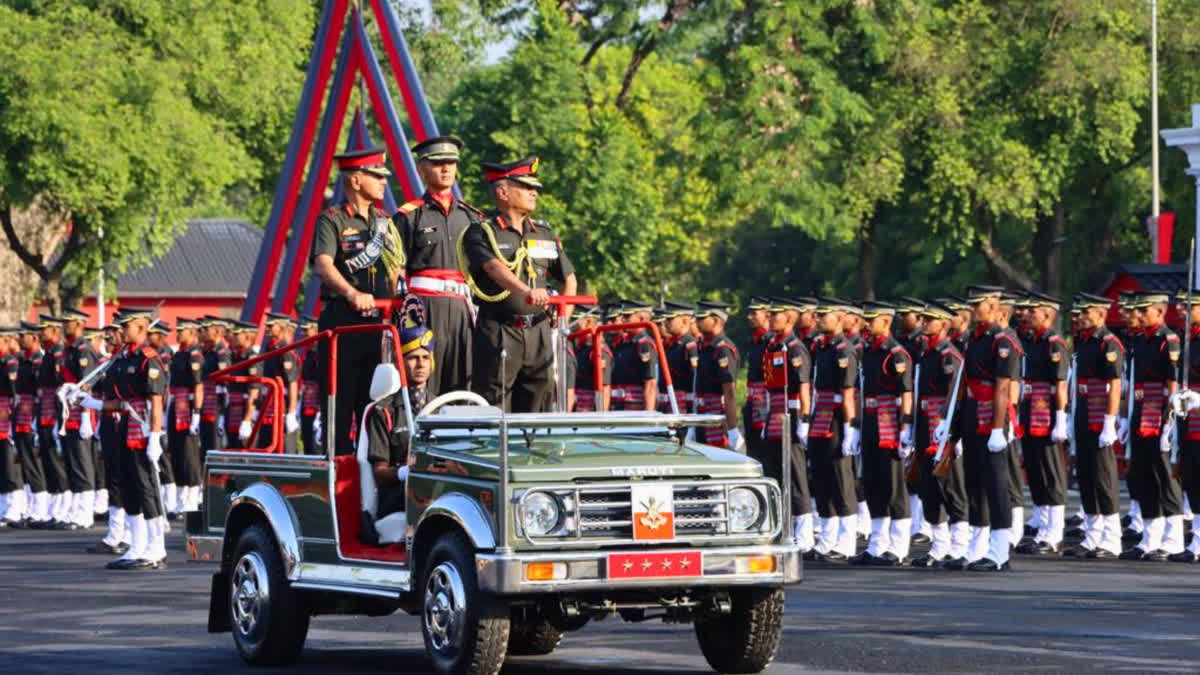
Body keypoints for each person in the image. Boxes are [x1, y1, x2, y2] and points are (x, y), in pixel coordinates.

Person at [461, 156, 578, 412]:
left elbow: (569, 277)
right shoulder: (481, 231)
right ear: (503, 191)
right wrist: (527, 292)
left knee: (539, 402)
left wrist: (564, 318)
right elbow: (493, 268)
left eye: (534, 187)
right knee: (494, 408)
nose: (534, 192)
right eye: (526, 187)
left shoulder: (543, 232)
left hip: (539, 331)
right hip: (500, 330)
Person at [311, 147, 403, 454]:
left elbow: (395, 266)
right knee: (339, 403)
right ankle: (337, 472)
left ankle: (371, 471)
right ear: (355, 180)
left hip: (378, 325)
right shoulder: (333, 220)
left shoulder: (385, 221)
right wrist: (351, 293)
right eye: (376, 176)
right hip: (343, 320)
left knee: (375, 404)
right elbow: (323, 264)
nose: (383, 182)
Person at [71, 308, 168, 570]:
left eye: (125, 326)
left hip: (143, 427)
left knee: (146, 487)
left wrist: (156, 437)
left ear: (140, 327)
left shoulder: (149, 360)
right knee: (129, 487)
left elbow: (155, 401)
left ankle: (156, 547)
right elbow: (119, 402)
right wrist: (89, 401)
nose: (120, 331)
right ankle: (136, 546)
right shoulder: (122, 359)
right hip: (124, 425)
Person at [393, 136, 480, 397]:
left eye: (451, 163)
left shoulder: (471, 217)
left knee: (463, 381)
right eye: (438, 163)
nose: (446, 169)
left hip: (463, 309)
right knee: (424, 380)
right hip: (424, 308)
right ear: (422, 169)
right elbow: (397, 270)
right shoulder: (408, 216)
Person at [954, 285, 1021, 572]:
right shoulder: (974, 338)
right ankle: (978, 546)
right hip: (972, 412)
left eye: (977, 304)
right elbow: (964, 383)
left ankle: (999, 551)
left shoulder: (1001, 340)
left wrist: (998, 428)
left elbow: (1003, 387)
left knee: (996, 484)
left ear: (993, 307)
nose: (972, 308)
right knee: (975, 482)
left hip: (992, 415)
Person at [1120, 293, 1185, 561]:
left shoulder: (1167, 341)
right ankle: (1150, 536)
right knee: (1143, 474)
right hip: (1140, 411)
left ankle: (1173, 538)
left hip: (1159, 414)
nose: (1138, 314)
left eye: (1144, 310)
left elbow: (1172, 384)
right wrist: (1125, 418)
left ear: (1159, 312)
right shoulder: (1139, 340)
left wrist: (1170, 422)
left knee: (1164, 475)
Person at [850, 301, 915, 566]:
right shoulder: (866, 352)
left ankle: (898, 546)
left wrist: (905, 429)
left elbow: (906, 394)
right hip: (870, 421)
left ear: (886, 322)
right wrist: (854, 427)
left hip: (890, 422)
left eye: (871, 319)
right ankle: (877, 543)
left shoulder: (896, 354)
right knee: (873, 483)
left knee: (894, 486)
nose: (866, 323)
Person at [909, 302, 970, 568]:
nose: (923, 323)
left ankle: (959, 546)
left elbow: (956, 396)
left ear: (943, 325)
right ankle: (939, 544)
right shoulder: (927, 353)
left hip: (943, 427)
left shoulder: (950, 356)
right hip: (925, 424)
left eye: (929, 320)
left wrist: (955, 433)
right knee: (928, 487)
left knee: (951, 486)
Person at [1014, 293, 1070, 555]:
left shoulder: (1053, 344)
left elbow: (1060, 385)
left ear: (1047, 315)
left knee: (1051, 472)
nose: (1028, 315)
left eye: (1034, 311)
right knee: (1035, 470)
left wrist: (1060, 418)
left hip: (1045, 413)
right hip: (1030, 409)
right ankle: (1042, 527)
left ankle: (1054, 532)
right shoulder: (1032, 341)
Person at [804, 298, 860, 562]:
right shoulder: (821, 347)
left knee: (841, 479)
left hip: (837, 419)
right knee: (822, 478)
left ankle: (847, 541)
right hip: (820, 418)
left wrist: (850, 428)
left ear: (839, 318)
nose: (819, 318)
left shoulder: (843, 350)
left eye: (825, 315)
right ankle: (827, 539)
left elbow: (848, 393)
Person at [366, 323, 434, 526]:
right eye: (413, 358)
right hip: (399, 496)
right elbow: (379, 474)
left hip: (436, 489)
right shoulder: (384, 412)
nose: (420, 365)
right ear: (399, 363)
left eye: (425, 358)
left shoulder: (442, 407)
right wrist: (406, 471)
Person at [759, 298, 813, 550]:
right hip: (775, 417)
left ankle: (804, 532)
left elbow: (804, 388)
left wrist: (804, 420)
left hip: (791, 417)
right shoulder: (772, 347)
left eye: (775, 315)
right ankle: (782, 525)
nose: (770, 318)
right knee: (775, 473)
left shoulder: (795, 348)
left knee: (795, 475)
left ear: (789, 319)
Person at [58, 309, 99, 530]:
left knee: (82, 462)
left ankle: (85, 512)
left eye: (69, 323)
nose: (65, 326)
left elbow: (87, 384)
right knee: (72, 460)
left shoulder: (84, 350)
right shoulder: (70, 350)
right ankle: (76, 508)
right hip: (69, 410)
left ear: (79, 324)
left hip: (81, 411)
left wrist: (85, 417)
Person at [34, 315, 70, 527]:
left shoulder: (58, 353)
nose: (41, 333)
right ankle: (53, 507)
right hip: (45, 411)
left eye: (44, 329)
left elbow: (60, 386)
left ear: (54, 331)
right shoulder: (49, 353)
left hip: (55, 412)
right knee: (48, 460)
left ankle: (64, 506)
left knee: (57, 462)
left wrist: (59, 419)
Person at [166, 318, 204, 517]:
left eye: (181, 330)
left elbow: (198, 386)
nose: (178, 333)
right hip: (176, 404)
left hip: (188, 407)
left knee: (189, 455)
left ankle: (190, 500)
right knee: (177, 452)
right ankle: (180, 499)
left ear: (191, 331)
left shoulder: (194, 355)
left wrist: (196, 414)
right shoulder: (179, 354)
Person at [695, 301, 742, 450]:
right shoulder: (703, 346)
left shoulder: (722, 349)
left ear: (716, 321)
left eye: (702, 318)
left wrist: (732, 429)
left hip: (717, 415)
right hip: (702, 415)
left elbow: (729, 392)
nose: (697, 322)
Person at [252, 313, 300, 453]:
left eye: (271, 326)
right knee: (266, 443)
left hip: (281, 404)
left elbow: (292, 383)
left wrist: (291, 412)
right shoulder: (269, 347)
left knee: (282, 445)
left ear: (281, 327)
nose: (267, 328)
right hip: (269, 402)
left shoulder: (285, 350)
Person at [609, 300, 658, 412]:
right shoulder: (625, 343)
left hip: (634, 408)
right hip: (618, 406)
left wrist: (649, 417)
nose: (622, 320)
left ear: (641, 319)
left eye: (627, 316)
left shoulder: (644, 344)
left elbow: (650, 383)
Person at [0, 327, 25, 526]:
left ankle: (15, 508)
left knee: (10, 466)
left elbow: (15, 395)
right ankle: (4, 507)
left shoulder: (10, 363)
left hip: (6, 416)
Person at [743, 297, 773, 461]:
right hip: (752, 402)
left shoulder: (770, 343)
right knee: (752, 452)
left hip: (765, 403)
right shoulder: (754, 342)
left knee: (765, 453)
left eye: (754, 313)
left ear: (767, 315)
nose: (750, 317)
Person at [199, 317, 232, 452]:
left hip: (217, 402)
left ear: (217, 331)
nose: (203, 332)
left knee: (214, 443)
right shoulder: (208, 352)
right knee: (206, 442)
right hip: (207, 400)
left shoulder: (222, 353)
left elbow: (225, 379)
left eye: (207, 329)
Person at [659, 302, 698, 415]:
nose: (665, 323)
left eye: (670, 319)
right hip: (668, 404)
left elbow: (694, 379)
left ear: (685, 321)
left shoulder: (690, 345)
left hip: (683, 407)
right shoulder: (672, 344)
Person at [571, 307, 612, 412]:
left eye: (575, 321)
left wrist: (601, 422)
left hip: (589, 414)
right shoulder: (582, 348)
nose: (572, 325)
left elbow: (604, 389)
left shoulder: (598, 350)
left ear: (587, 322)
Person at [297, 316, 322, 454]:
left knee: (314, 440)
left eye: (307, 330)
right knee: (306, 435)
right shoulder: (308, 351)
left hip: (316, 401)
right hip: (307, 399)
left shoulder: (320, 351)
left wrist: (321, 409)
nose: (303, 334)